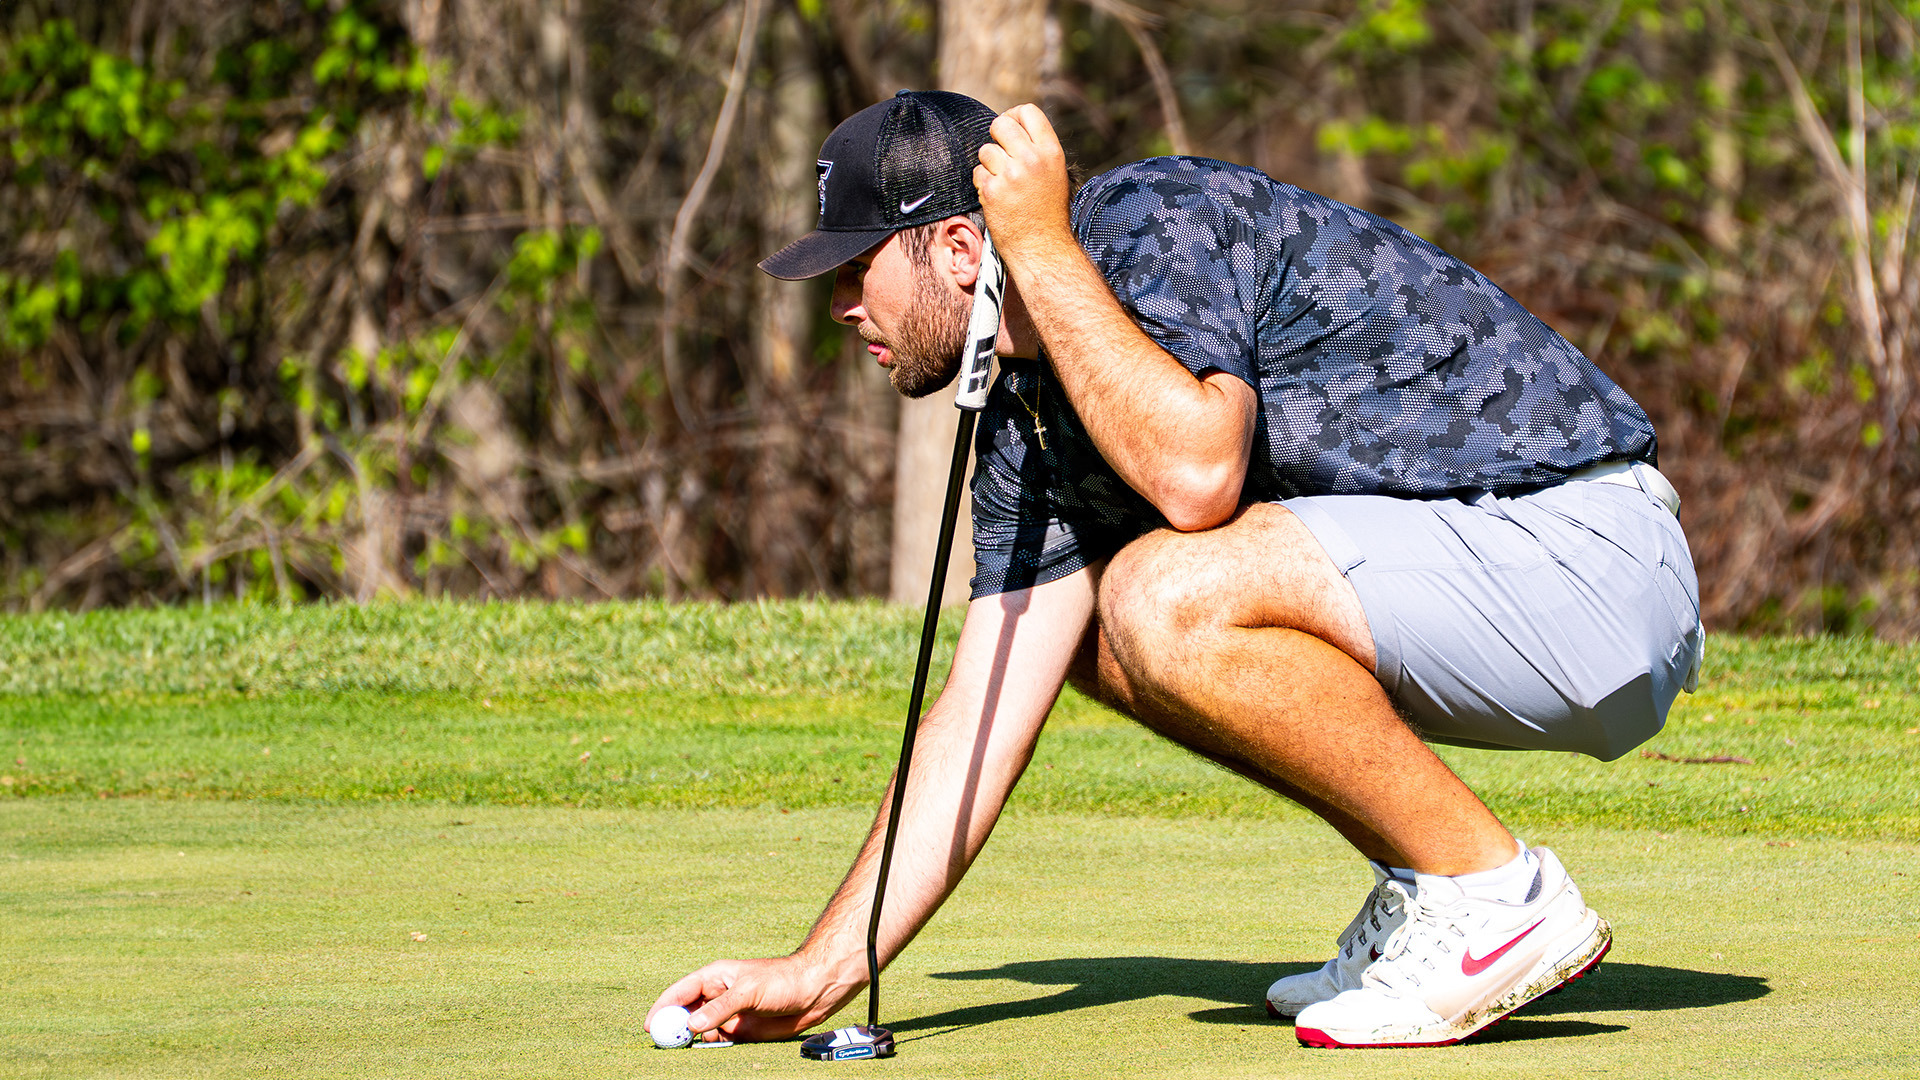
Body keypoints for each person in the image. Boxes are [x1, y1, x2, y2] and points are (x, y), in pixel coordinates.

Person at [649, 90, 1703, 1049]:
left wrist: (1042, 246)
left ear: (963, 244)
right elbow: (977, 711)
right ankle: (1430, 878)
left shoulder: (1148, 218)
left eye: (855, 266)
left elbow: (1199, 470)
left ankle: (1494, 896)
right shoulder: (1027, 425)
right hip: (1501, 593)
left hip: (1594, 560)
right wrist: (821, 971)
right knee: (1091, 636)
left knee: (1162, 593)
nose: (840, 304)